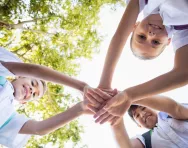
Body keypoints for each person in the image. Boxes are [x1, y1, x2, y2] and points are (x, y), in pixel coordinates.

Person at [86, 0, 188, 124]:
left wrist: (104, 82)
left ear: (134, 26)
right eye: (156, 42)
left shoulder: (141, 3)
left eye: (141, 37)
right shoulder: (183, 28)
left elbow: (120, 35)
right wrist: (129, 95)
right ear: (168, 41)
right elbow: (183, 73)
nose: (150, 35)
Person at [0, 46, 112, 148]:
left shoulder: (9, 117)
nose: (32, 90)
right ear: (21, 76)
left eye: (34, 94)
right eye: (33, 83)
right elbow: (34, 70)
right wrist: (81, 86)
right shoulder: (2, 72)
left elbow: (39, 129)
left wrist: (81, 108)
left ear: (23, 102)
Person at [112, 95, 188, 148]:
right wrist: (116, 121)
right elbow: (127, 146)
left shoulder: (170, 113)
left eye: (143, 108)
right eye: (137, 116)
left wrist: (128, 98)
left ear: (153, 107)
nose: (142, 114)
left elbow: (175, 107)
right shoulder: (145, 140)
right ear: (139, 125)